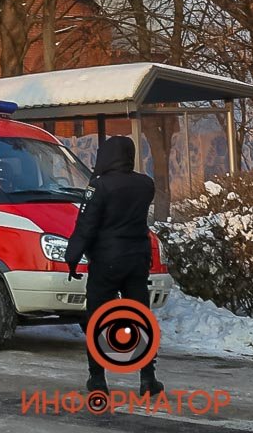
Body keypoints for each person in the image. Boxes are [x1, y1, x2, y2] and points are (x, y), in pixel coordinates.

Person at [65, 136, 163, 396]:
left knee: (98, 317)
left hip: (106, 262)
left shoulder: (99, 186)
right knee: (140, 316)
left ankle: (98, 379)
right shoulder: (145, 184)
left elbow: (86, 226)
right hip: (137, 261)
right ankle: (148, 378)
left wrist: (72, 257)